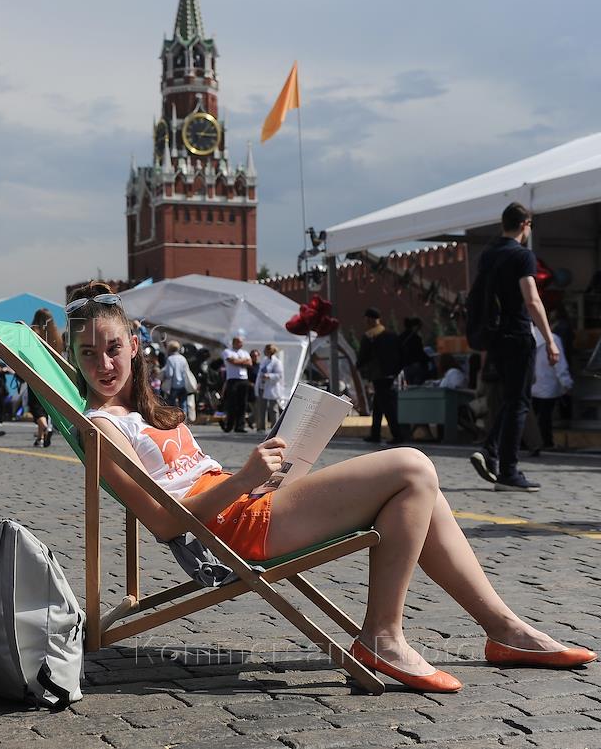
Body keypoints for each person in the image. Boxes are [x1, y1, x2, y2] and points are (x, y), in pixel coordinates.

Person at [65, 280, 594, 695]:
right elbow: (162, 521)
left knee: (420, 493)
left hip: (252, 501)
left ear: (135, 346)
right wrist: (247, 478)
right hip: (235, 531)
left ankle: (502, 628)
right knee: (412, 467)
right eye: (88, 354)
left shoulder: (142, 411)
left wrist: (261, 472)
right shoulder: (105, 427)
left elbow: (192, 478)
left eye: (113, 348)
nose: (104, 364)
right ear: (74, 356)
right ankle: (385, 638)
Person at [469, 204, 558, 493]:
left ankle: (490, 451)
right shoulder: (522, 256)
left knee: (509, 400)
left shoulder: (489, 255)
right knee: (519, 402)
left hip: (494, 337)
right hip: (518, 334)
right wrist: (550, 339)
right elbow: (531, 300)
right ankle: (508, 471)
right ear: (526, 224)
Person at [357, 308, 405, 445]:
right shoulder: (392, 335)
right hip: (391, 375)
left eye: (366, 319)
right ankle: (375, 433)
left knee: (387, 407)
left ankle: (397, 435)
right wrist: (396, 371)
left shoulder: (370, 336)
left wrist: (360, 367)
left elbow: (363, 357)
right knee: (378, 406)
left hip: (378, 375)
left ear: (370, 320)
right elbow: (402, 355)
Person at [530, 327, 572, 453]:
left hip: (533, 384)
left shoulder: (529, 338)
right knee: (545, 416)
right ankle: (546, 441)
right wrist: (567, 384)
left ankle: (530, 441)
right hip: (549, 384)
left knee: (532, 415)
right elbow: (560, 364)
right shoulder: (553, 339)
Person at [29, 308, 64, 447]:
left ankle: (44, 427)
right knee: (45, 406)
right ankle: (40, 438)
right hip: (50, 374)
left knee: (35, 406)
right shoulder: (56, 335)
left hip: (35, 372)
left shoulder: (33, 332)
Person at [221, 335, 252, 433]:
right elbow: (232, 361)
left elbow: (250, 363)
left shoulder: (244, 352)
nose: (241, 344)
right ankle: (229, 425)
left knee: (242, 404)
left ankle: (240, 426)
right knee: (232, 403)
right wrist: (243, 361)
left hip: (243, 379)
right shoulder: (227, 351)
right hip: (233, 379)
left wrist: (240, 361)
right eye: (239, 342)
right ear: (234, 342)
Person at [254, 344, 285, 431]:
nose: (264, 351)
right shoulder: (264, 360)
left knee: (273, 408)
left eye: (266, 350)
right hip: (262, 387)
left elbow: (279, 375)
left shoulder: (277, 362)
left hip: (272, 388)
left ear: (270, 351)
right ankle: (261, 427)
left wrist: (269, 376)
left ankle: (275, 427)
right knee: (261, 408)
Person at [160, 340, 191, 418]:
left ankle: (173, 420)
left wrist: (163, 376)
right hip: (183, 385)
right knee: (183, 404)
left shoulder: (170, 359)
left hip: (174, 386)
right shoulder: (183, 358)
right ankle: (184, 420)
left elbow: (169, 374)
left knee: (172, 405)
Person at [399, 317, 429, 385]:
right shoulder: (416, 338)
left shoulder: (400, 337)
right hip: (416, 366)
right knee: (417, 387)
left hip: (405, 367)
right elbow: (419, 353)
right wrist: (428, 359)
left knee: (408, 388)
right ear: (415, 326)